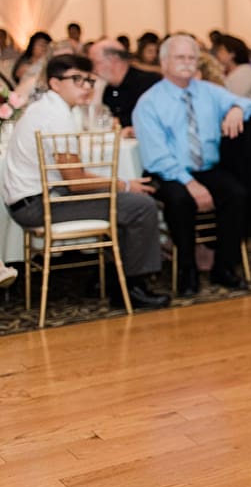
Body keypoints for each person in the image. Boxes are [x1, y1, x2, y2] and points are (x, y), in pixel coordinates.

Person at [1, 54, 170, 309]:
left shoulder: (47, 108)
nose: (87, 86)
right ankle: (133, 288)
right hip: (37, 206)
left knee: (125, 205)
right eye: (77, 79)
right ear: (55, 83)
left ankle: (111, 281)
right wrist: (124, 184)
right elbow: (75, 182)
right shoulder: (55, 116)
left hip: (34, 200)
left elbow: (72, 179)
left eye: (89, 80)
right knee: (139, 206)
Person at [133, 34, 251, 296]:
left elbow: (250, 104)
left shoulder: (208, 91)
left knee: (237, 195)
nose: (187, 63)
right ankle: (186, 269)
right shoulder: (149, 102)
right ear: (164, 62)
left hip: (207, 168)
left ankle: (223, 267)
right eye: (180, 57)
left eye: (192, 57)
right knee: (181, 201)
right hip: (168, 172)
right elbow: (157, 157)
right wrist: (190, 184)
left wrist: (236, 108)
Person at [88, 39, 162, 134]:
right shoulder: (104, 86)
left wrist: (118, 122)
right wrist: (98, 90)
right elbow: (93, 121)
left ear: (113, 60)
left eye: (95, 63)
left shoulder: (147, 82)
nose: (93, 69)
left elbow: (151, 117)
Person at [212, 34, 251, 101]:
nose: (217, 54)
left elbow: (231, 97)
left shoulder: (244, 73)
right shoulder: (225, 71)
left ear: (232, 54)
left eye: (221, 50)